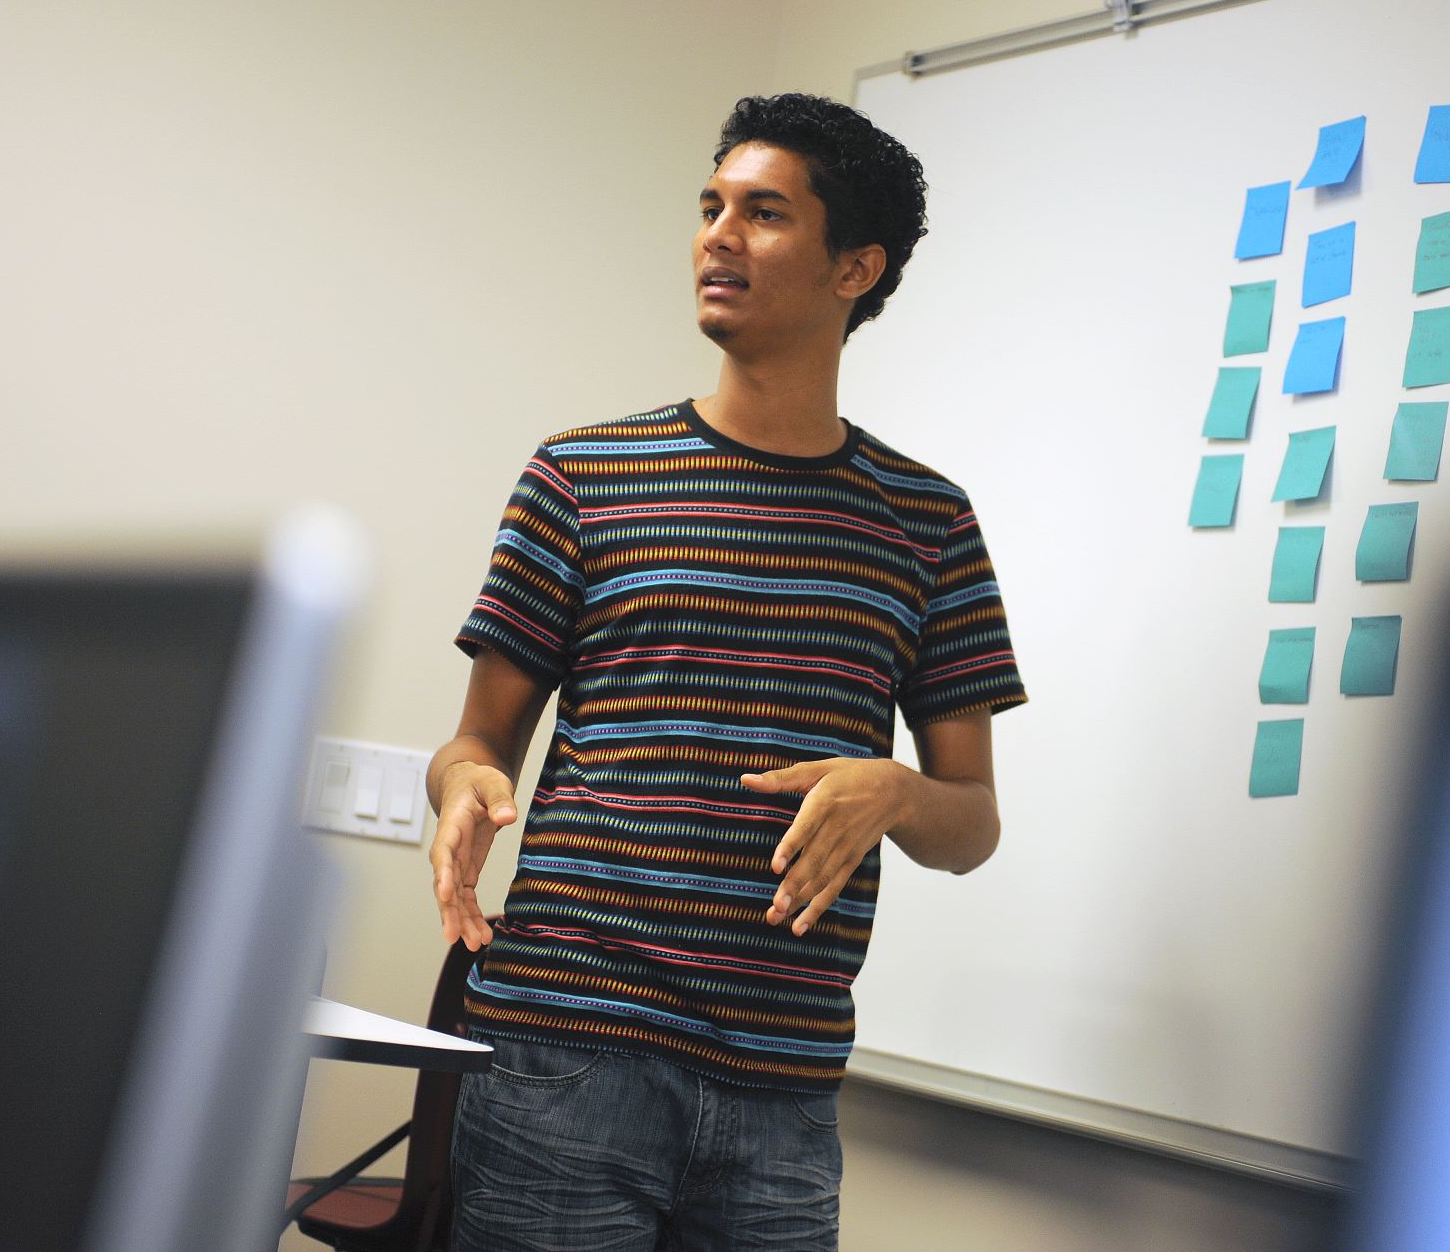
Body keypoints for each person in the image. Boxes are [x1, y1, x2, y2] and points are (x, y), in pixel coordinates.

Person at [426, 92, 1028, 1251]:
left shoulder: (930, 522)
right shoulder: (582, 476)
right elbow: (478, 742)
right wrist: (462, 788)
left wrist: (898, 791)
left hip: (783, 1091)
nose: (717, 235)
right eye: (710, 207)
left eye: (763, 213)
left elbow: (971, 824)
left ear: (855, 268)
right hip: (565, 1057)